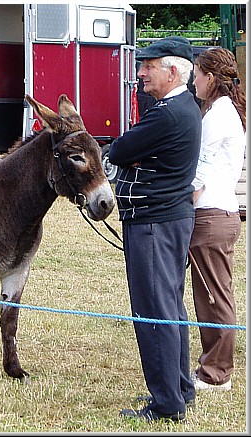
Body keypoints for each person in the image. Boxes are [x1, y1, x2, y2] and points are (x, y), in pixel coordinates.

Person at [109, 36, 202, 422]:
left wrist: (125, 157)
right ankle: (180, 387)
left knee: (154, 311)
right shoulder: (185, 107)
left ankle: (166, 404)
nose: (141, 72)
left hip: (153, 224)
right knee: (171, 306)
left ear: (173, 71)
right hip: (170, 220)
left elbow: (118, 150)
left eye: (149, 66)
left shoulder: (166, 114)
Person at [189, 47, 246, 392]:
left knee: (214, 296)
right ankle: (214, 366)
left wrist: (182, 203)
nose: (193, 80)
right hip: (219, 212)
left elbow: (200, 171)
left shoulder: (218, 116)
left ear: (210, 78)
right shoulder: (224, 112)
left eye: (196, 74)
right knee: (211, 292)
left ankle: (217, 372)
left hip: (211, 214)